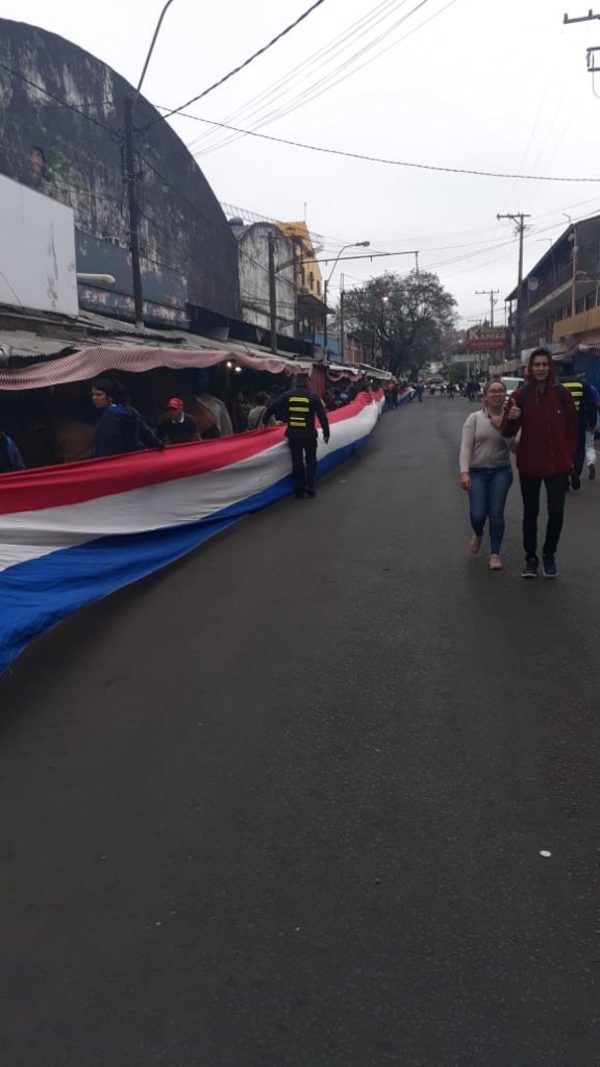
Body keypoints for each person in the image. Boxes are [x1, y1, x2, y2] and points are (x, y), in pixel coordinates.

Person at [501, 347, 578, 579]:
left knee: (556, 511)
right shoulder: (520, 396)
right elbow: (507, 431)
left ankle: (549, 554)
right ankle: (531, 558)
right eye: (537, 365)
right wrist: (512, 419)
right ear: (530, 368)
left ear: (550, 367)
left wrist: (570, 457)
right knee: (530, 512)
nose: (541, 369)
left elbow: (573, 429)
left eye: (545, 365)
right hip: (530, 464)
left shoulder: (562, 394)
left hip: (557, 465)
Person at [459, 380, 513, 570]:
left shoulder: (510, 419)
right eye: (493, 391)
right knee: (478, 514)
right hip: (478, 472)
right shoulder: (474, 418)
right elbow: (465, 447)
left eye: (501, 391)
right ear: (485, 395)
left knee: (496, 513)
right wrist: (464, 472)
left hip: (501, 471)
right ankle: (478, 532)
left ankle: (495, 553)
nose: (497, 395)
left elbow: (516, 448)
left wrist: (503, 428)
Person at [263, 372, 330, 497]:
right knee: (311, 460)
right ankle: (310, 485)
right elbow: (322, 417)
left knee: (297, 462)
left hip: (293, 435)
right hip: (309, 435)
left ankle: (299, 489)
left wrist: (265, 420)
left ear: (296, 383)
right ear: (307, 383)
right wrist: (326, 433)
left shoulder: (288, 395)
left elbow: (272, 407)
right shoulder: (313, 397)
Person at [91, 377, 163, 458]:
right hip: (133, 459)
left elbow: (105, 445)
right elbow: (147, 434)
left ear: (110, 396)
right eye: (93, 394)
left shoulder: (109, 415)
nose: (94, 398)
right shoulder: (129, 410)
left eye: (99, 394)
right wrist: (159, 446)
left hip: (115, 463)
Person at [558, 365, 597, 487]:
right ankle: (576, 471)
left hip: (561, 421)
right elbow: (591, 405)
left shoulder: (558, 386)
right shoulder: (582, 385)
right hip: (579, 421)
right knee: (579, 449)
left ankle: (565, 476)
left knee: (563, 449)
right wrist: (592, 422)